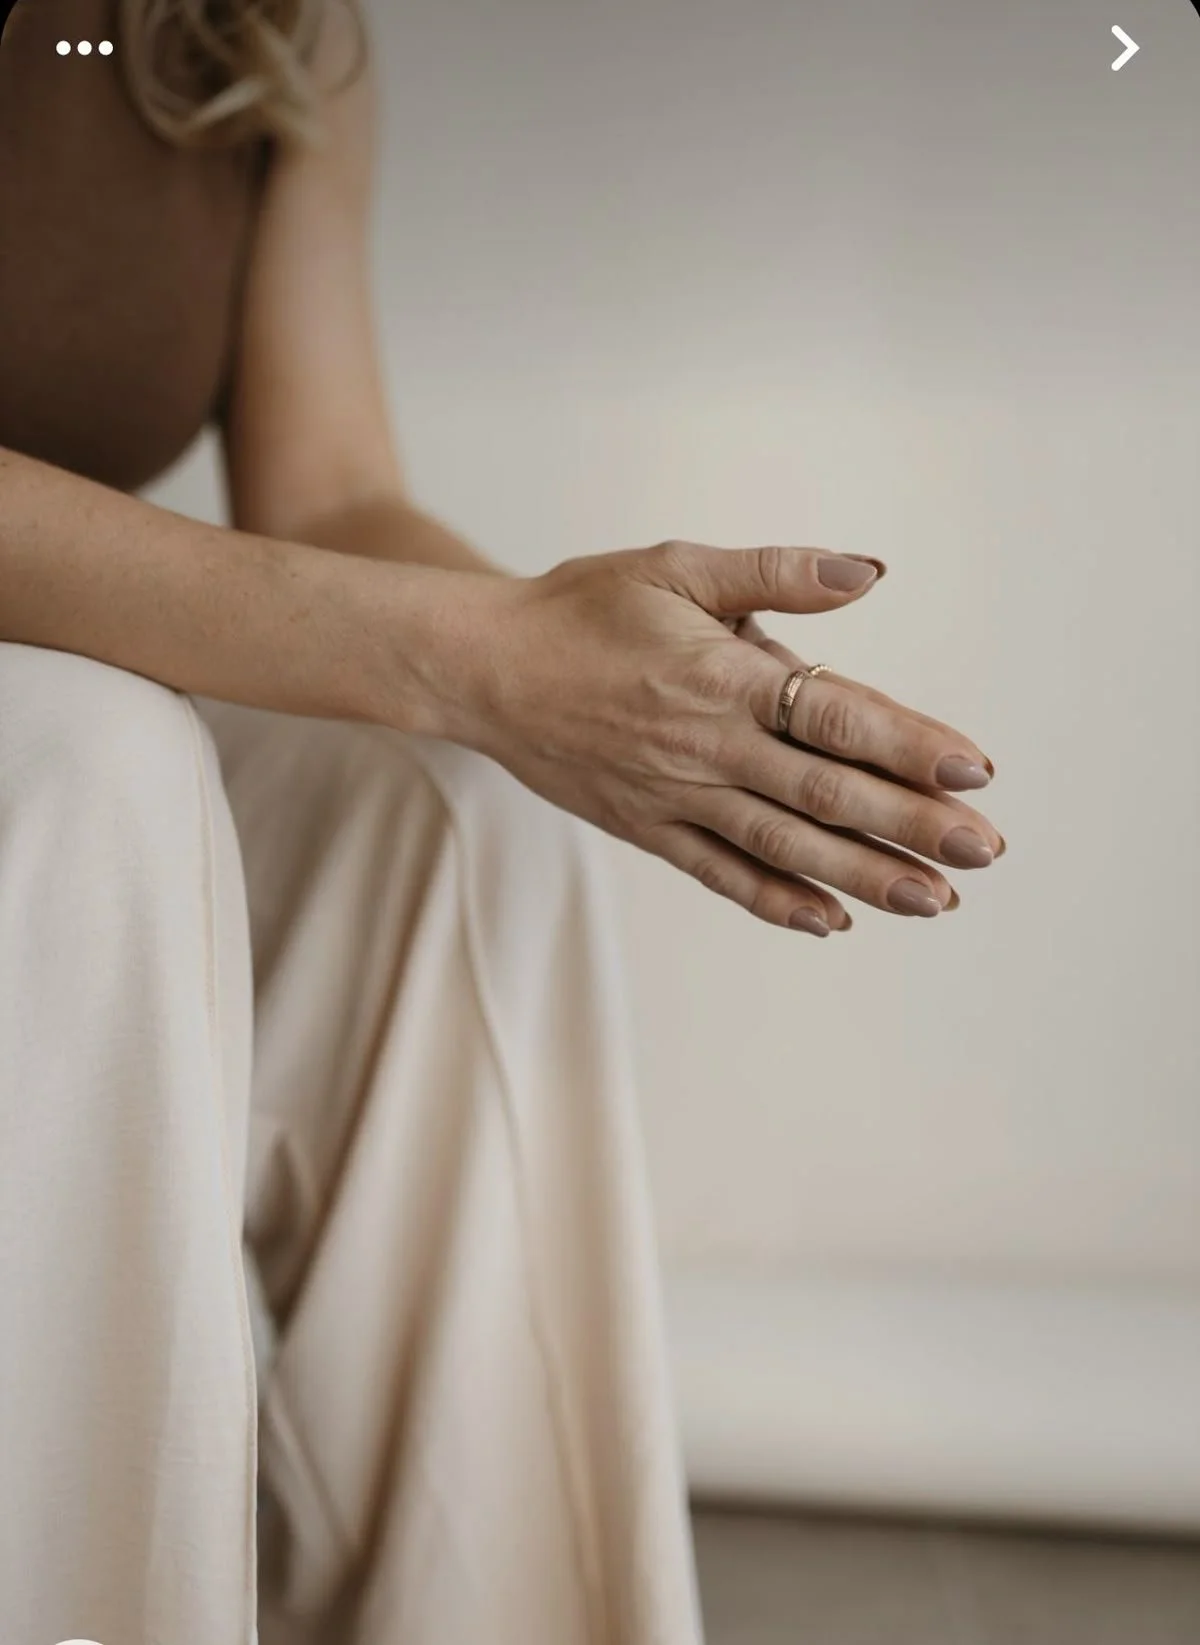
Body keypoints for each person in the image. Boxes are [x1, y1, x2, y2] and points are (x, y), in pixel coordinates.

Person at [0, 2, 1003, 1642]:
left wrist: (612, 675)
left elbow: (324, 490)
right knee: (93, 762)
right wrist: (483, 665)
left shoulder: (264, 29)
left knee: (454, 801)